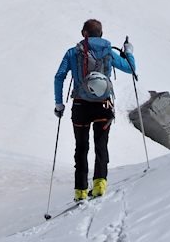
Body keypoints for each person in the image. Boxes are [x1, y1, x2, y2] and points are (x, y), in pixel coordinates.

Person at [53, 18, 137, 201]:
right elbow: (131, 69)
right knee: (101, 144)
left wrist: (59, 104)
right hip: (103, 105)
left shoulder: (72, 52)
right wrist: (128, 51)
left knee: (81, 147)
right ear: (101, 34)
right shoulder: (108, 51)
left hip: (80, 106)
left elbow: (59, 77)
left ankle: (80, 191)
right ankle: (99, 186)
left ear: (84, 33)